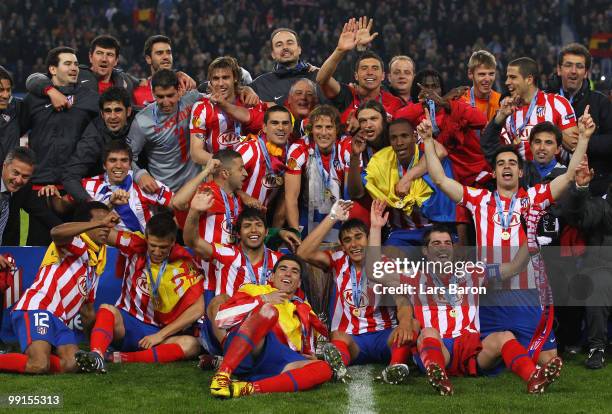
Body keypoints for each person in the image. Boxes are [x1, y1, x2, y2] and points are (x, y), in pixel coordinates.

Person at [421, 106, 595, 365]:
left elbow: (569, 175)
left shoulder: (534, 197)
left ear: (521, 172)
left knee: (548, 359)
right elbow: (441, 179)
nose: (506, 167)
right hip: (489, 295)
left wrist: (584, 138)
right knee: (481, 357)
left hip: (525, 292)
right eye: (501, 163)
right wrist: (426, 141)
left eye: (512, 163)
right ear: (494, 173)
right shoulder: (479, 200)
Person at [387, 223, 562, 395]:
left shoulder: (472, 272)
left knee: (505, 336)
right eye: (436, 243)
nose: (443, 247)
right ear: (425, 251)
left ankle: (534, 377)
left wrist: (531, 236)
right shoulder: (413, 276)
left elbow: (514, 267)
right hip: (438, 347)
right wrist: (375, 228)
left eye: (448, 243)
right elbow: (373, 272)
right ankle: (438, 374)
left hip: (470, 348)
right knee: (428, 332)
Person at [297, 200, 414, 384]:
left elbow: (402, 300)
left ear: (368, 239)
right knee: (338, 335)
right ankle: (338, 367)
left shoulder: (386, 263)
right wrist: (332, 217)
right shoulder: (337, 260)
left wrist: (406, 322)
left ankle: (395, 367)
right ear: (342, 246)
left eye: (359, 237)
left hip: (384, 335)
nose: (354, 244)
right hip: (353, 340)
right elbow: (303, 252)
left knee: (412, 325)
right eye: (347, 240)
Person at [75, 213, 204, 373]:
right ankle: (97, 356)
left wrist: (160, 335)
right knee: (107, 309)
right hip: (127, 324)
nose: (156, 251)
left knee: (192, 345)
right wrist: (105, 219)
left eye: (163, 247)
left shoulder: (184, 264)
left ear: (172, 241)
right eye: (152, 245)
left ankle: (121, 358)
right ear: (146, 238)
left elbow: (198, 308)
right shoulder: (134, 244)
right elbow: (99, 234)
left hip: (158, 332)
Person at [0, 202, 118, 374]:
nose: (105, 227)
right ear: (86, 225)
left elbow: (87, 310)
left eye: (108, 223)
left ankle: (42, 358)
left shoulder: (96, 261)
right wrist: (99, 222)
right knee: (38, 365)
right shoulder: (78, 243)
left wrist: (97, 351)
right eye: (101, 222)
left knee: (72, 364)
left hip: (59, 320)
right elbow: (56, 232)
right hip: (37, 308)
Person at [209, 254, 332, 398]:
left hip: (277, 356)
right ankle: (223, 373)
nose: (288, 273)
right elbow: (222, 318)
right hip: (250, 347)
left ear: (298, 283)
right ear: (272, 277)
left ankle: (249, 388)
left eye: (294, 271)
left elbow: (306, 346)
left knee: (323, 368)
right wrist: (264, 299)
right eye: (283, 269)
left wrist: (311, 355)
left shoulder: (305, 308)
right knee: (269, 311)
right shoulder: (254, 290)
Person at [184, 195, 285, 355]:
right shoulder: (228, 254)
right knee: (218, 300)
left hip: (265, 324)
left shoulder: (278, 261)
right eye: (247, 226)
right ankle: (231, 353)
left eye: (258, 225)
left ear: (266, 232)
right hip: (229, 327)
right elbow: (192, 241)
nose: (253, 230)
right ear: (238, 234)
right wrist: (194, 211)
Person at [23, 46, 99, 245]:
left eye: (75, 64)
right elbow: (16, 132)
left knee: (76, 252)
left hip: (72, 191)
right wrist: (49, 91)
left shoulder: (88, 97)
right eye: (68, 63)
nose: (74, 67)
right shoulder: (34, 100)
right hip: (40, 190)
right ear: (53, 69)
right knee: (38, 252)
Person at [560, 156, 612, 369]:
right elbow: (577, 215)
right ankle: (597, 348)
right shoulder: (602, 206)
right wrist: (580, 189)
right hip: (603, 271)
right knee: (598, 282)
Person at [548, 43, 612, 196]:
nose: (573, 71)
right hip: (550, 183)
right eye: (568, 65)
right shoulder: (544, 101)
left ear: (586, 73)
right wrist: (560, 136)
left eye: (579, 66)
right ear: (559, 69)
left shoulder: (600, 102)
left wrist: (583, 142)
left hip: (593, 186)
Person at [317, 17, 402, 130]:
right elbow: (321, 79)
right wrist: (340, 50)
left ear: (383, 76)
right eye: (364, 68)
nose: (370, 73)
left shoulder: (394, 103)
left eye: (375, 68)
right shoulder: (346, 94)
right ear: (356, 76)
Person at [127, 69, 203, 194]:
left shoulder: (192, 99)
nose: (166, 102)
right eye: (160, 97)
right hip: (165, 193)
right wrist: (139, 174)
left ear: (179, 91)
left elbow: (217, 96)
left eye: (170, 95)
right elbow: (127, 156)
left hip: (197, 187)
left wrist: (245, 89)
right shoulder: (142, 121)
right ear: (153, 93)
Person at [495, 57, 578, 161]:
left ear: (529, 79)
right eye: (507, 77)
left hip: (551, 176)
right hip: (520, 175)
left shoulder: (557, 104)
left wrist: (551, 129)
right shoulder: (507, 110)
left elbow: (575, 147)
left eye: (513, 77)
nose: (507, 82)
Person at [62, 87, 134, 203]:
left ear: (129, 111)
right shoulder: (93, 135)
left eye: (118, 110)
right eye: (107, 111)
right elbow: (70, 175)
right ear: (101, 113)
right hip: (102, 192)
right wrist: (91, 203)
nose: (112, 116)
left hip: (139, 187)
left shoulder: (141, 121)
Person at [189, 56, 266, 165]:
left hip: (251, 172)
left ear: (235, 78)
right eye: (216, 78)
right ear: (210, 81)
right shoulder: (201, 107)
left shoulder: (250, 101)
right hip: (219, 174)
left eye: (225, 77)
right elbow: (196, 153)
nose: (220, 83)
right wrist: (228, 166)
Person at [285, 105, 345, 241]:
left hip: (341, 212)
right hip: (308, 213)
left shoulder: (345, 146)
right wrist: (295, 234)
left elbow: (353, 195)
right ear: (311, 129)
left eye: (329, 127)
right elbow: (291, 197)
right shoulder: (298, 149)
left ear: (337, 130)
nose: (323, 133)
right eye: (318, 127)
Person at [25, 35, 135, 110]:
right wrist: (51, 91)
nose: (104, 59)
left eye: (110, 55)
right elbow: (34, 79)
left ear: (116, 61)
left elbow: (141, 82)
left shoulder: (124, 80)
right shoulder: (76, 74)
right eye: (99, 53)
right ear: (90, 57)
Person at [236, 106, 292, 213]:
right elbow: (219, 176)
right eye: (274, 123)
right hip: (236, 219)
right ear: (264, 127)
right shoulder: (250, 149)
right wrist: (244, 196)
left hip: (260, 221)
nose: (281, 127)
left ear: (291, 128)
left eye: (285, 123)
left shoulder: (290, 154)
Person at [250, 28, 325, 105]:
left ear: (299, 49)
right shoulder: (260, 85)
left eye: (289, 43)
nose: (285, 47)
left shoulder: (318, 77)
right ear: (273, 54)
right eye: (279, 45)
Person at [460, 50, 501, 122]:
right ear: (470, 74)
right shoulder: (461, 101)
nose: (487, 79)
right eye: (482, 74)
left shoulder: (501, 102)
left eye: (491, 74)